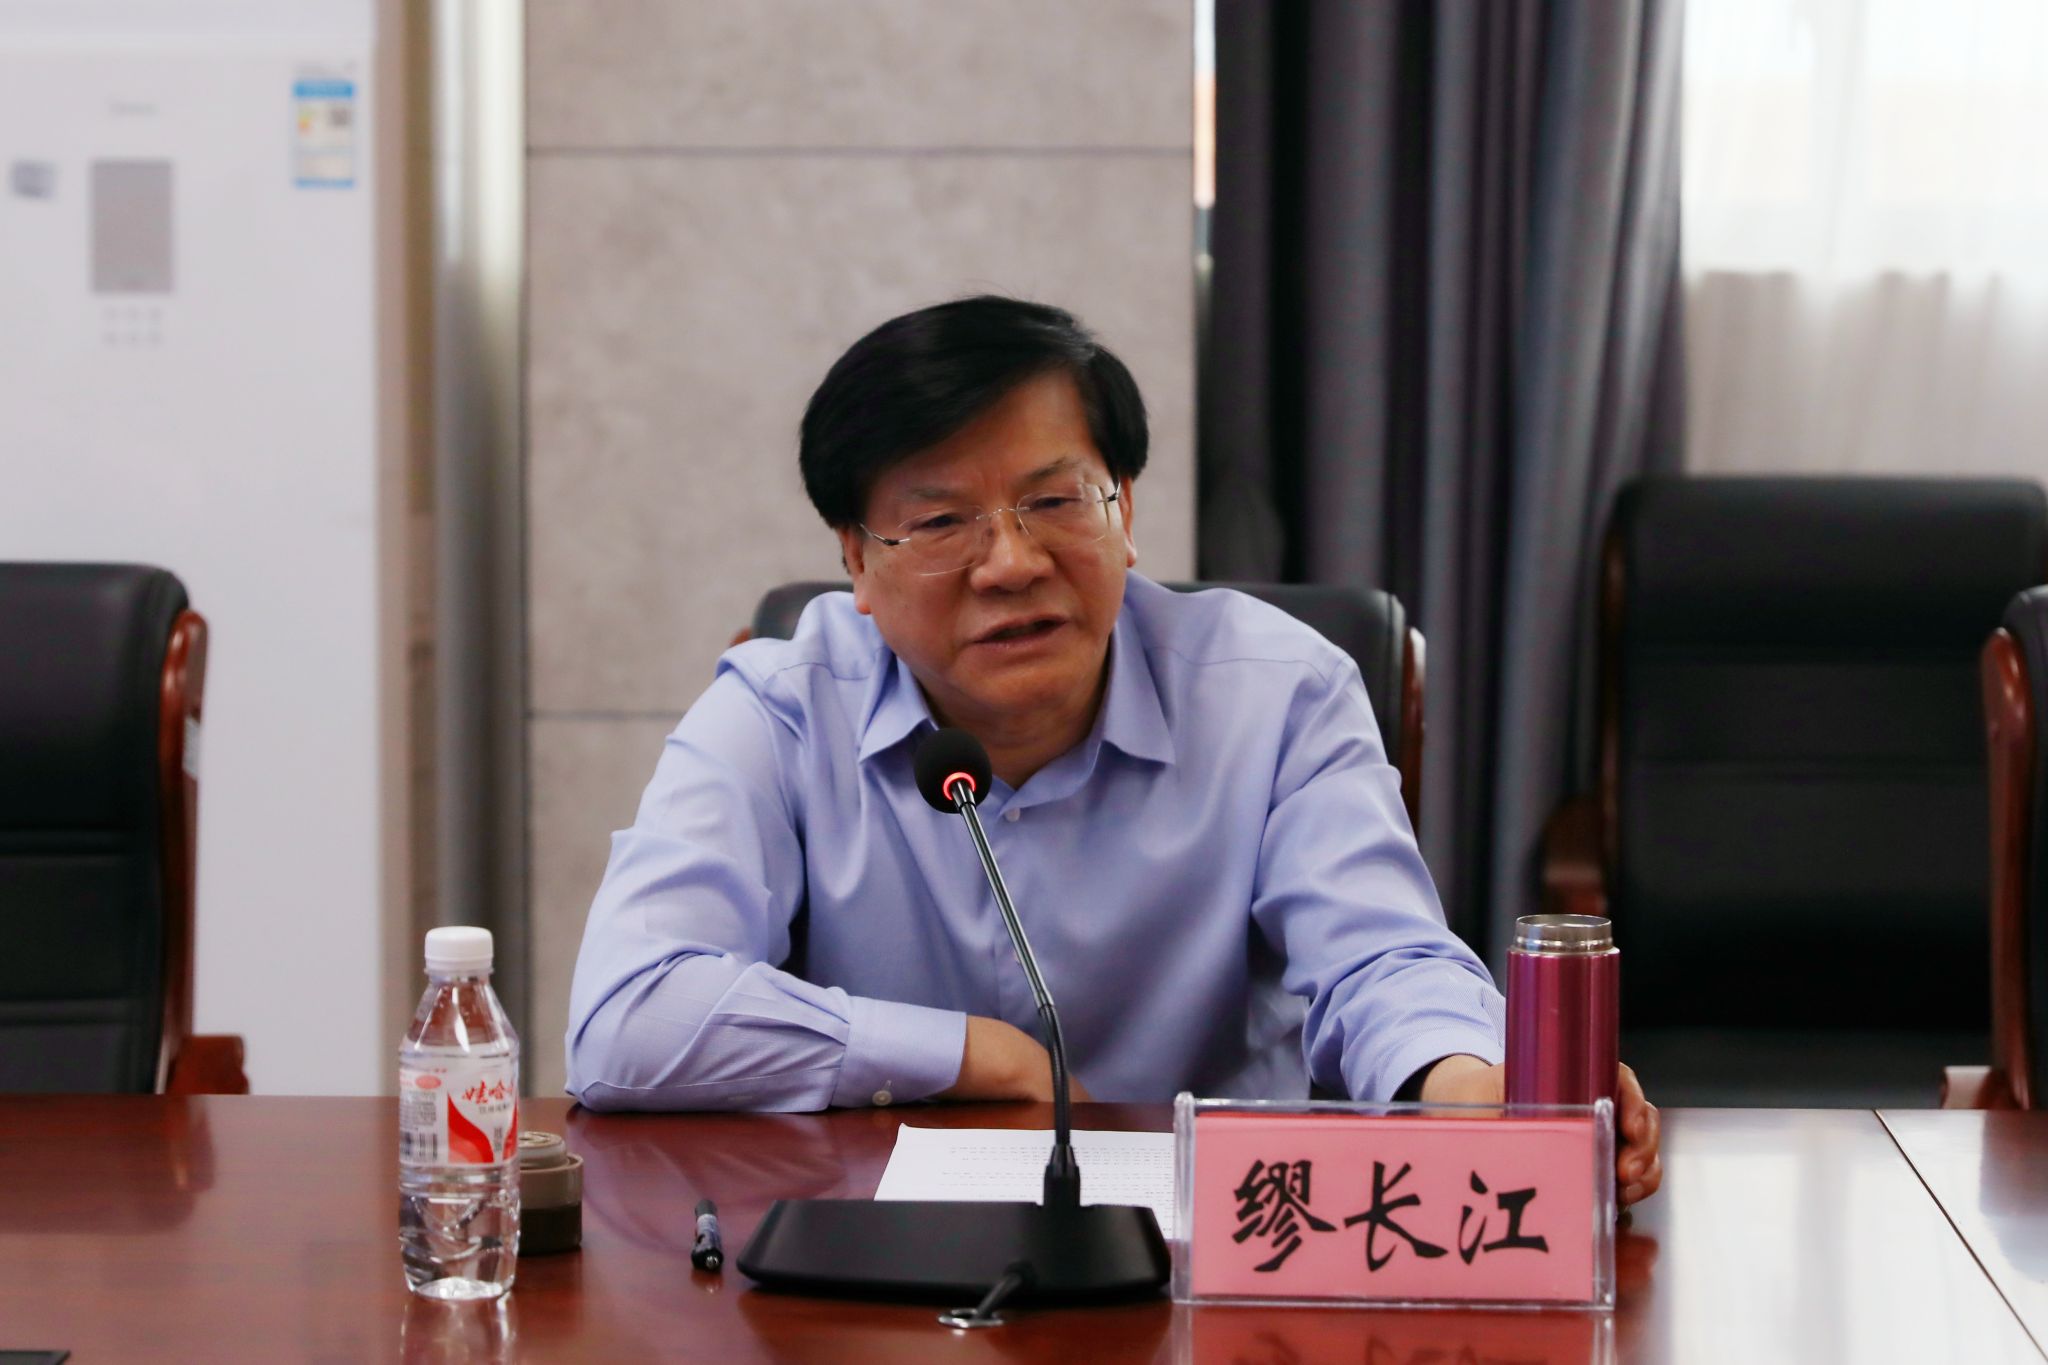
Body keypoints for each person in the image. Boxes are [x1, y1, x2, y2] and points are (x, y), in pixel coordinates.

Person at [565, 295, 1662, 1206]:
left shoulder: (1276, 691)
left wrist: (1467, 1081)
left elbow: (1378, 958)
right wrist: (972, 1054)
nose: (1010, 563)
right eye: (941, 523)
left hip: (1216, 1253)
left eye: (1053, 500)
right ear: (857, 560)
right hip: (882, 1269)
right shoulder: (780, 707)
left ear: (1123, 509)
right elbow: (627, 1017)